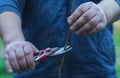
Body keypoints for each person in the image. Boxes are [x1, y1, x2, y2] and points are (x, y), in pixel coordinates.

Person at [0, 0, 120, 78]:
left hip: (97, 69)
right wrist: (14, 41)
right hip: (35, 72)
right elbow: (7, 3)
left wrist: (103, 11)